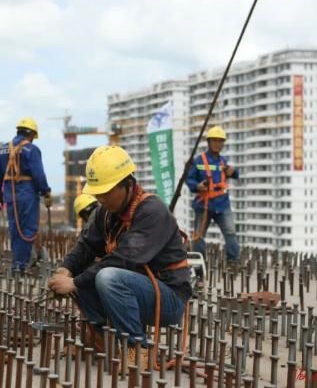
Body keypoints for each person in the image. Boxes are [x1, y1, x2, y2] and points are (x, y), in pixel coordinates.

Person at [48, 145, 191, 363]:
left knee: (106, 276)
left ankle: (137, 351)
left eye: (106, 192)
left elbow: (124, 259)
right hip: (136, 290)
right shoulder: (105, 212)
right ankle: (102, 340)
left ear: (127, 183)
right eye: (98, 193)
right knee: (83, 272)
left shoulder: (152, 211)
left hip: (168, 298)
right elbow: (86, 246)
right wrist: (65, 270)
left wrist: (74, 283)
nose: (102, 199)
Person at [0, 117, 52, 274]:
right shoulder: (32, 150)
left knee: (15, 230)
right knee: (28, 230)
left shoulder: (2, 149)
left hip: (10, 196)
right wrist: (46, 191)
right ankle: (20, 266)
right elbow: (38, 174)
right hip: (27, 195)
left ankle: (19, 263)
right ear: (31, 134)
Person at [186, 126, 240, 269]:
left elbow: (235, 174)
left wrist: (233, 172)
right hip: (204, 205)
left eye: (220, 141)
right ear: (208, 142)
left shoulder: (223, 161)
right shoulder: (198, 161)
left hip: (222, 204)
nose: (218, 144)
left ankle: (233, 263)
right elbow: (189, 179)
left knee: (230, 232)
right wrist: (197, 186)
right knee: (198, 237)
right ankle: (199, 267)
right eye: (215, 141)